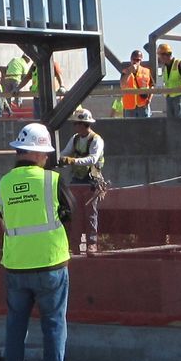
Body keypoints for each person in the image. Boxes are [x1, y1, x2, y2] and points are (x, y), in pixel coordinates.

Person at [0, 122, 72, 361]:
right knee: (54, 329)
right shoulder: (53, 180)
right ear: (36, 153)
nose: (47, 157)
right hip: (51, 265)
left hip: (16, 266)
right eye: (45, 152)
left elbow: (0, 214)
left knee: (15, 332)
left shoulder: (2, 184)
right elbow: (70, 212)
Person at [58, 107, 107, 255]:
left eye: (76, 124)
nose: (75, 126)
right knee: (75, 213)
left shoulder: (96, 140)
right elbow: (65, 153)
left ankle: (92, 244)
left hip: (91, 180)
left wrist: (73, 161)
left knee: (90, 213)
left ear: (84, 124)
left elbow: (93, 159)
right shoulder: (75, 139)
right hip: (77, 180)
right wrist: (59, 159)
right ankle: (75, 245)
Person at [157, 42, 181, 118]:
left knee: (180, 119)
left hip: (180, 95)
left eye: (160, 55)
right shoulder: (164, 67)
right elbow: (162, 82)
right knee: (171, 120)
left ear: (166, 55)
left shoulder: (179, 63)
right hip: (169, 96)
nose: (159, 58)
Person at [119, 49, 154, 118]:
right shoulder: (125, 71)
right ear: (130, 59)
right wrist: (129, 72)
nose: (135, 62)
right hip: (129, 106)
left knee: (145, 124)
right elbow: (122, 85)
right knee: (130, 125)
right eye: (134, 59)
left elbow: (151, 86)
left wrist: (149, 99)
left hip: (143, 105)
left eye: (138, 60)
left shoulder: (146, 71)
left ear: (141, 60)